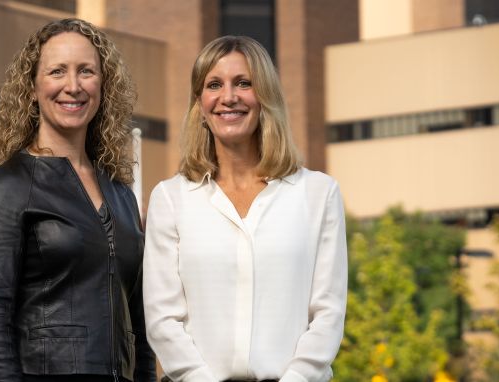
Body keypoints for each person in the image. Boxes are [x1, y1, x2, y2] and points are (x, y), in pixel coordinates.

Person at [143, 36, 348, 382]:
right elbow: (163, 320)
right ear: (200, 103)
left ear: (265, 95)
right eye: (214, 85)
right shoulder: (170, 198)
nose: (229, 97)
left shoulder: (318, 193)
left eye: (243, 83)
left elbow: (328, 312)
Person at [0, 18, 156, 382]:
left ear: (103, 85)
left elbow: (141, 324)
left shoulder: (121, 194)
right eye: (57, 72)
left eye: (86, 71)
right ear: (32, 87)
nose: (73, 86)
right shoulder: (4, 186)